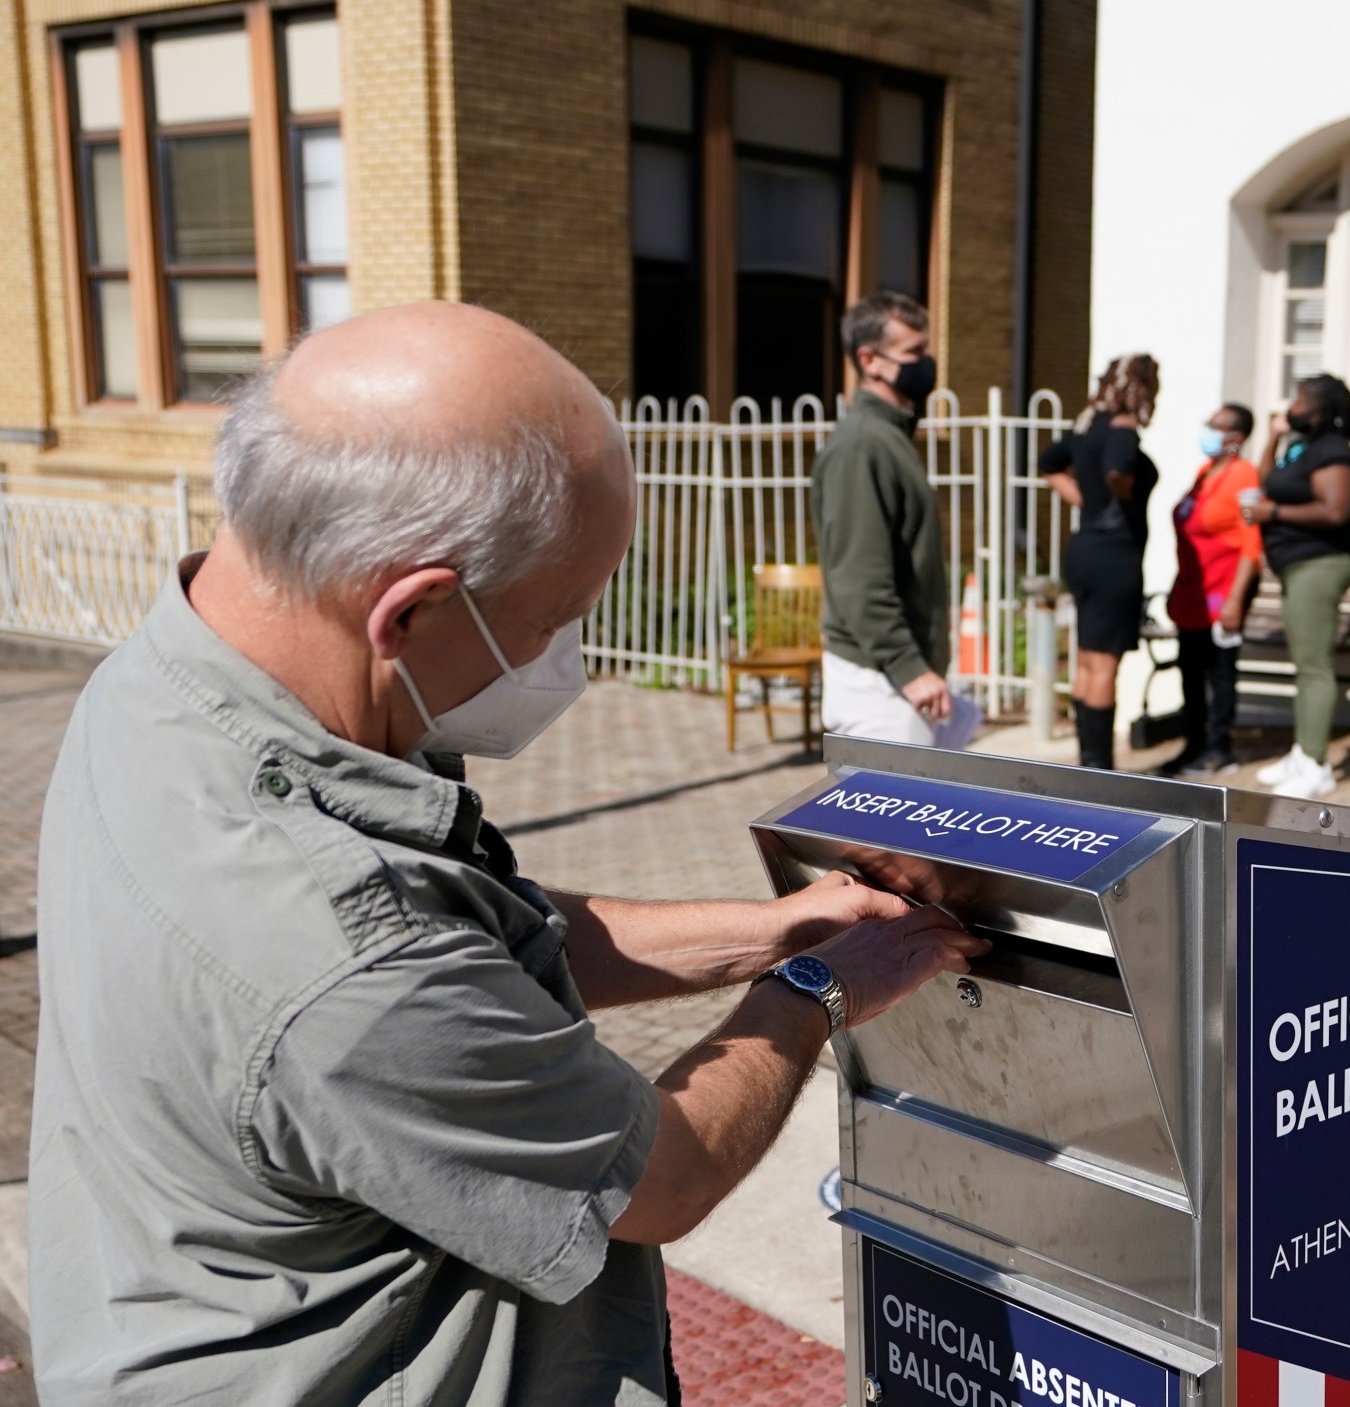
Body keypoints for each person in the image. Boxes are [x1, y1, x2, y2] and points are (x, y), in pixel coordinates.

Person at [28, 302, 986, 1404]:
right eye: (554, 617)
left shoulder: (165, 679)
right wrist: (809, 990)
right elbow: (659, 1177)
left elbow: (470, 943)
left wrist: (770, 929)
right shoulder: (337, 955)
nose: (559, 659)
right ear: (414, 610)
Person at [817, 290, 952, 746]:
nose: (926, 363)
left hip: (897, 682)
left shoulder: (889, 438)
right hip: (878, 687)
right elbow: (859, 577)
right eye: (913, 353)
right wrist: (909, 667)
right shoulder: (861, 447)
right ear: (869, 360)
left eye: (925, 349)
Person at [1237, 374, 1350, 798]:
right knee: (1304, 661)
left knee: (1313, 666)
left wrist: (1273, 514)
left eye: (1299, 400)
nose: (1291, 406)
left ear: (1321, 410)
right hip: (1296, 565)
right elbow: (1266, 479)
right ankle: (1302, 752)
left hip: (1320, 563)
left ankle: (1315, 765)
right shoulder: (1300, 448)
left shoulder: (1332, 451)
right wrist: (1273, 437)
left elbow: (1335, 510)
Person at [1039, 353, 1161, 770]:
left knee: (1088, 658)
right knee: (1106, 663)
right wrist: (1118, 491)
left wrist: (1086, 500)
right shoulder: (1123, 430)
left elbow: (1048, 464)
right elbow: (1117, 469)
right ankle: (1101, 771)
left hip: (1083, 551)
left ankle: (1087, 763)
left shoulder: (1087, 425)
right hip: (1114, 557)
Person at [1159, 401, 1263, 777]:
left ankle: (1220, 747)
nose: (1208, 429)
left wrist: (1236, 599)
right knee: (1189, 668)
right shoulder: (1205, 472)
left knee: (1218, 671)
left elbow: (1253, 542)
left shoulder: (1245, 475)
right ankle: (1194, 744)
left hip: (1223, 590)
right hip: (1192, 590)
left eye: (1216, 425)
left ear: (1236, 438)